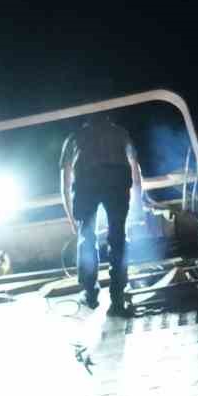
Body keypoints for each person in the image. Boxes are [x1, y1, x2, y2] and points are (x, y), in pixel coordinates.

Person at [60, 114, 145, 314]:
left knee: (86, 238)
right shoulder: (120, 133)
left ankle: (90, 294)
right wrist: (138, 204)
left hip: (87, 182)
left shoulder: (75, 137)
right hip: (116, 180)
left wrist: (71, 217)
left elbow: (64, 181)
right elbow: (135, 170)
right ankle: (117, 295)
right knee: (118, 238)